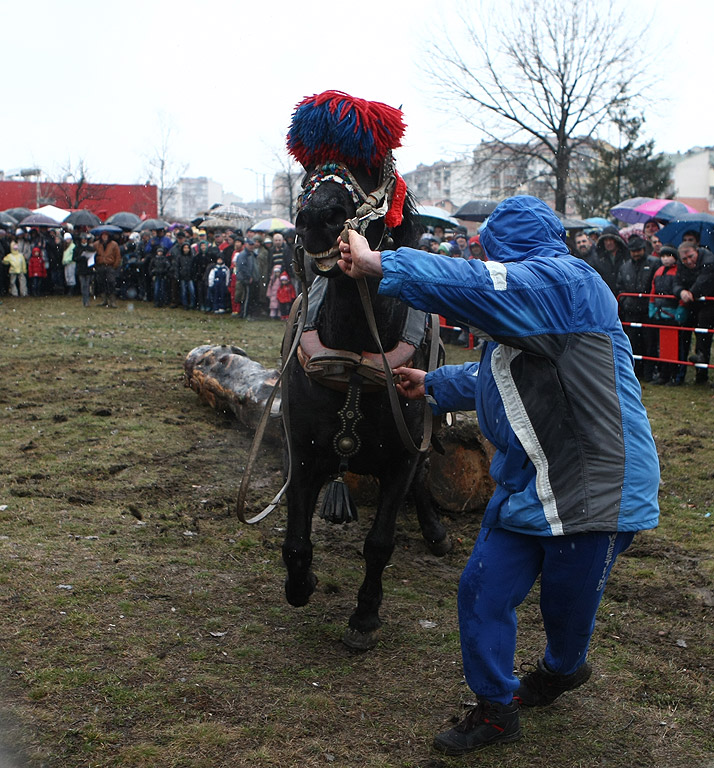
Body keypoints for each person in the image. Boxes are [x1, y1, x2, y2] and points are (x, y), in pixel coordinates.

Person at [337, 195, 660, 756]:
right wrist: (437, 383)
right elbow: (503, 371)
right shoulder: (530, 306)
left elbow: (478, 285)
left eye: (489, 249)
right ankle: (494, 709)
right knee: (481, 591)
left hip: (596, 489)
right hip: (530, 483)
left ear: (505, 247)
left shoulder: (568, 282)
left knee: (565, 612)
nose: (484, 258)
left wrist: (383, 265)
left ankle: (561, 671)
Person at [615, 235, 660, 381]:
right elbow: (620, 286)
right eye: (633, 251)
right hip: (631, 311)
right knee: (633, 343)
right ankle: (635, 372)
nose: (636, 253)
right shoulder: (625, 266)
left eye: (638, 250)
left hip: (648, 311)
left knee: (650, 343)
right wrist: (627, 301)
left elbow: (657, 285)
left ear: (643, 249)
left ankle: (649, 373)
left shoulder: (654, 263)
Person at [673, 238, 714, 385]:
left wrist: (691, 292)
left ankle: (702, 373)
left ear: (696, 251)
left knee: (704, 336)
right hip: (691, 305)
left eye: (691, 256)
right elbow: (676, 282)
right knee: (684, 334)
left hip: (708, 304)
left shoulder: (708, 259)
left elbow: (704, 280)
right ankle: (680, 373)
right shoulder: (681, 265)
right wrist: (681, 292)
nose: (688, 261)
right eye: (684, 259)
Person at [649, 246, 686, 385]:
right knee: (662, 346)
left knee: (674, 346)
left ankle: (675, 375)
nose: (665, 259)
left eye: (669, 256)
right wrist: (651, 306)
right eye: (663, 256)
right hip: (660, 312)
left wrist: (681, 309)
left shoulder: (678, 272)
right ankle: (663, 374)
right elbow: (653, 289)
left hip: (672, 312)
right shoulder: (658, 271)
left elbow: (681, 290)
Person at [589, 225, 629, 295]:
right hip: (605, 295)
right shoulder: (597, 259)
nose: (608, 243)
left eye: (611, 240)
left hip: (622, 295)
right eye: (606, 240)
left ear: (616, 241)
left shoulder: (626, 256)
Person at [94, 231, 121, 307]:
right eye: (103, 235)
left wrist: (114, 266)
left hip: (110, 266)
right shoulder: (96, 244)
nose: (104, 237)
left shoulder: (114, 244)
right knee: (101, 283)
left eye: (106, 235)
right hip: (100, 266)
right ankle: (104, 300)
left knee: (111, 283)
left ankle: (112, 301)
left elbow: (118, 256)